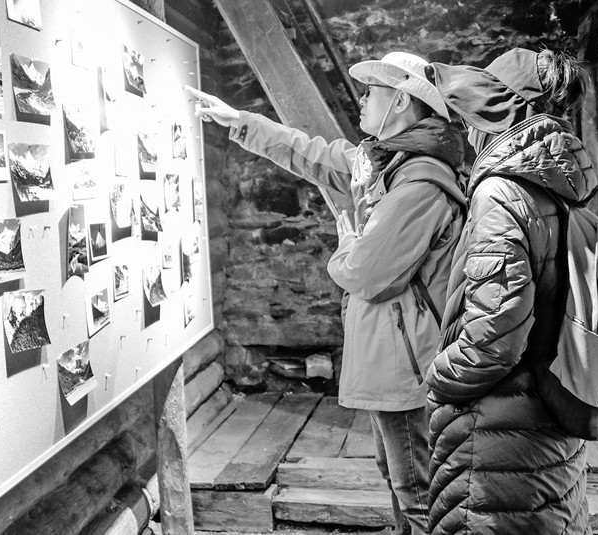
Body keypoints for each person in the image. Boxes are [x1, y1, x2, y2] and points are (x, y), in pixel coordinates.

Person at [186, 51, 467, 535]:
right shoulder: (382, 163)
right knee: (401, 481)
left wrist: (347, 244)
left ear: (400, 101)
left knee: (418, 494)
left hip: (409, 365)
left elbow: (364, 272)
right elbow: (311, 153)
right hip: (393, 356)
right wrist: (241, 123)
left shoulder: (418, 183)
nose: (362, 100)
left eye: (371, 92)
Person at [424, 48, 597, 534]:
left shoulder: (501, 193)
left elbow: (494, 338)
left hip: (497, 438)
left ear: (501, 115)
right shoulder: (555, 185)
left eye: (475, 117)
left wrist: (439, 380)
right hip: (548, 417)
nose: (468, 130)